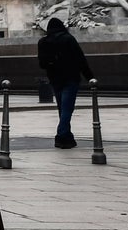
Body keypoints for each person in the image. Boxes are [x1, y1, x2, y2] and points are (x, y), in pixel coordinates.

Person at [37, 17, 93, 149]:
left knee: (62, 108)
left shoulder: (43, 42)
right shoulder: (68, 39)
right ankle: (61, 136)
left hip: (55, 78)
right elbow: (80, 59)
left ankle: (67, 136)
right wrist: (90, 77)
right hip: (70, 78)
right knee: (67, 108)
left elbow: (42, 64)